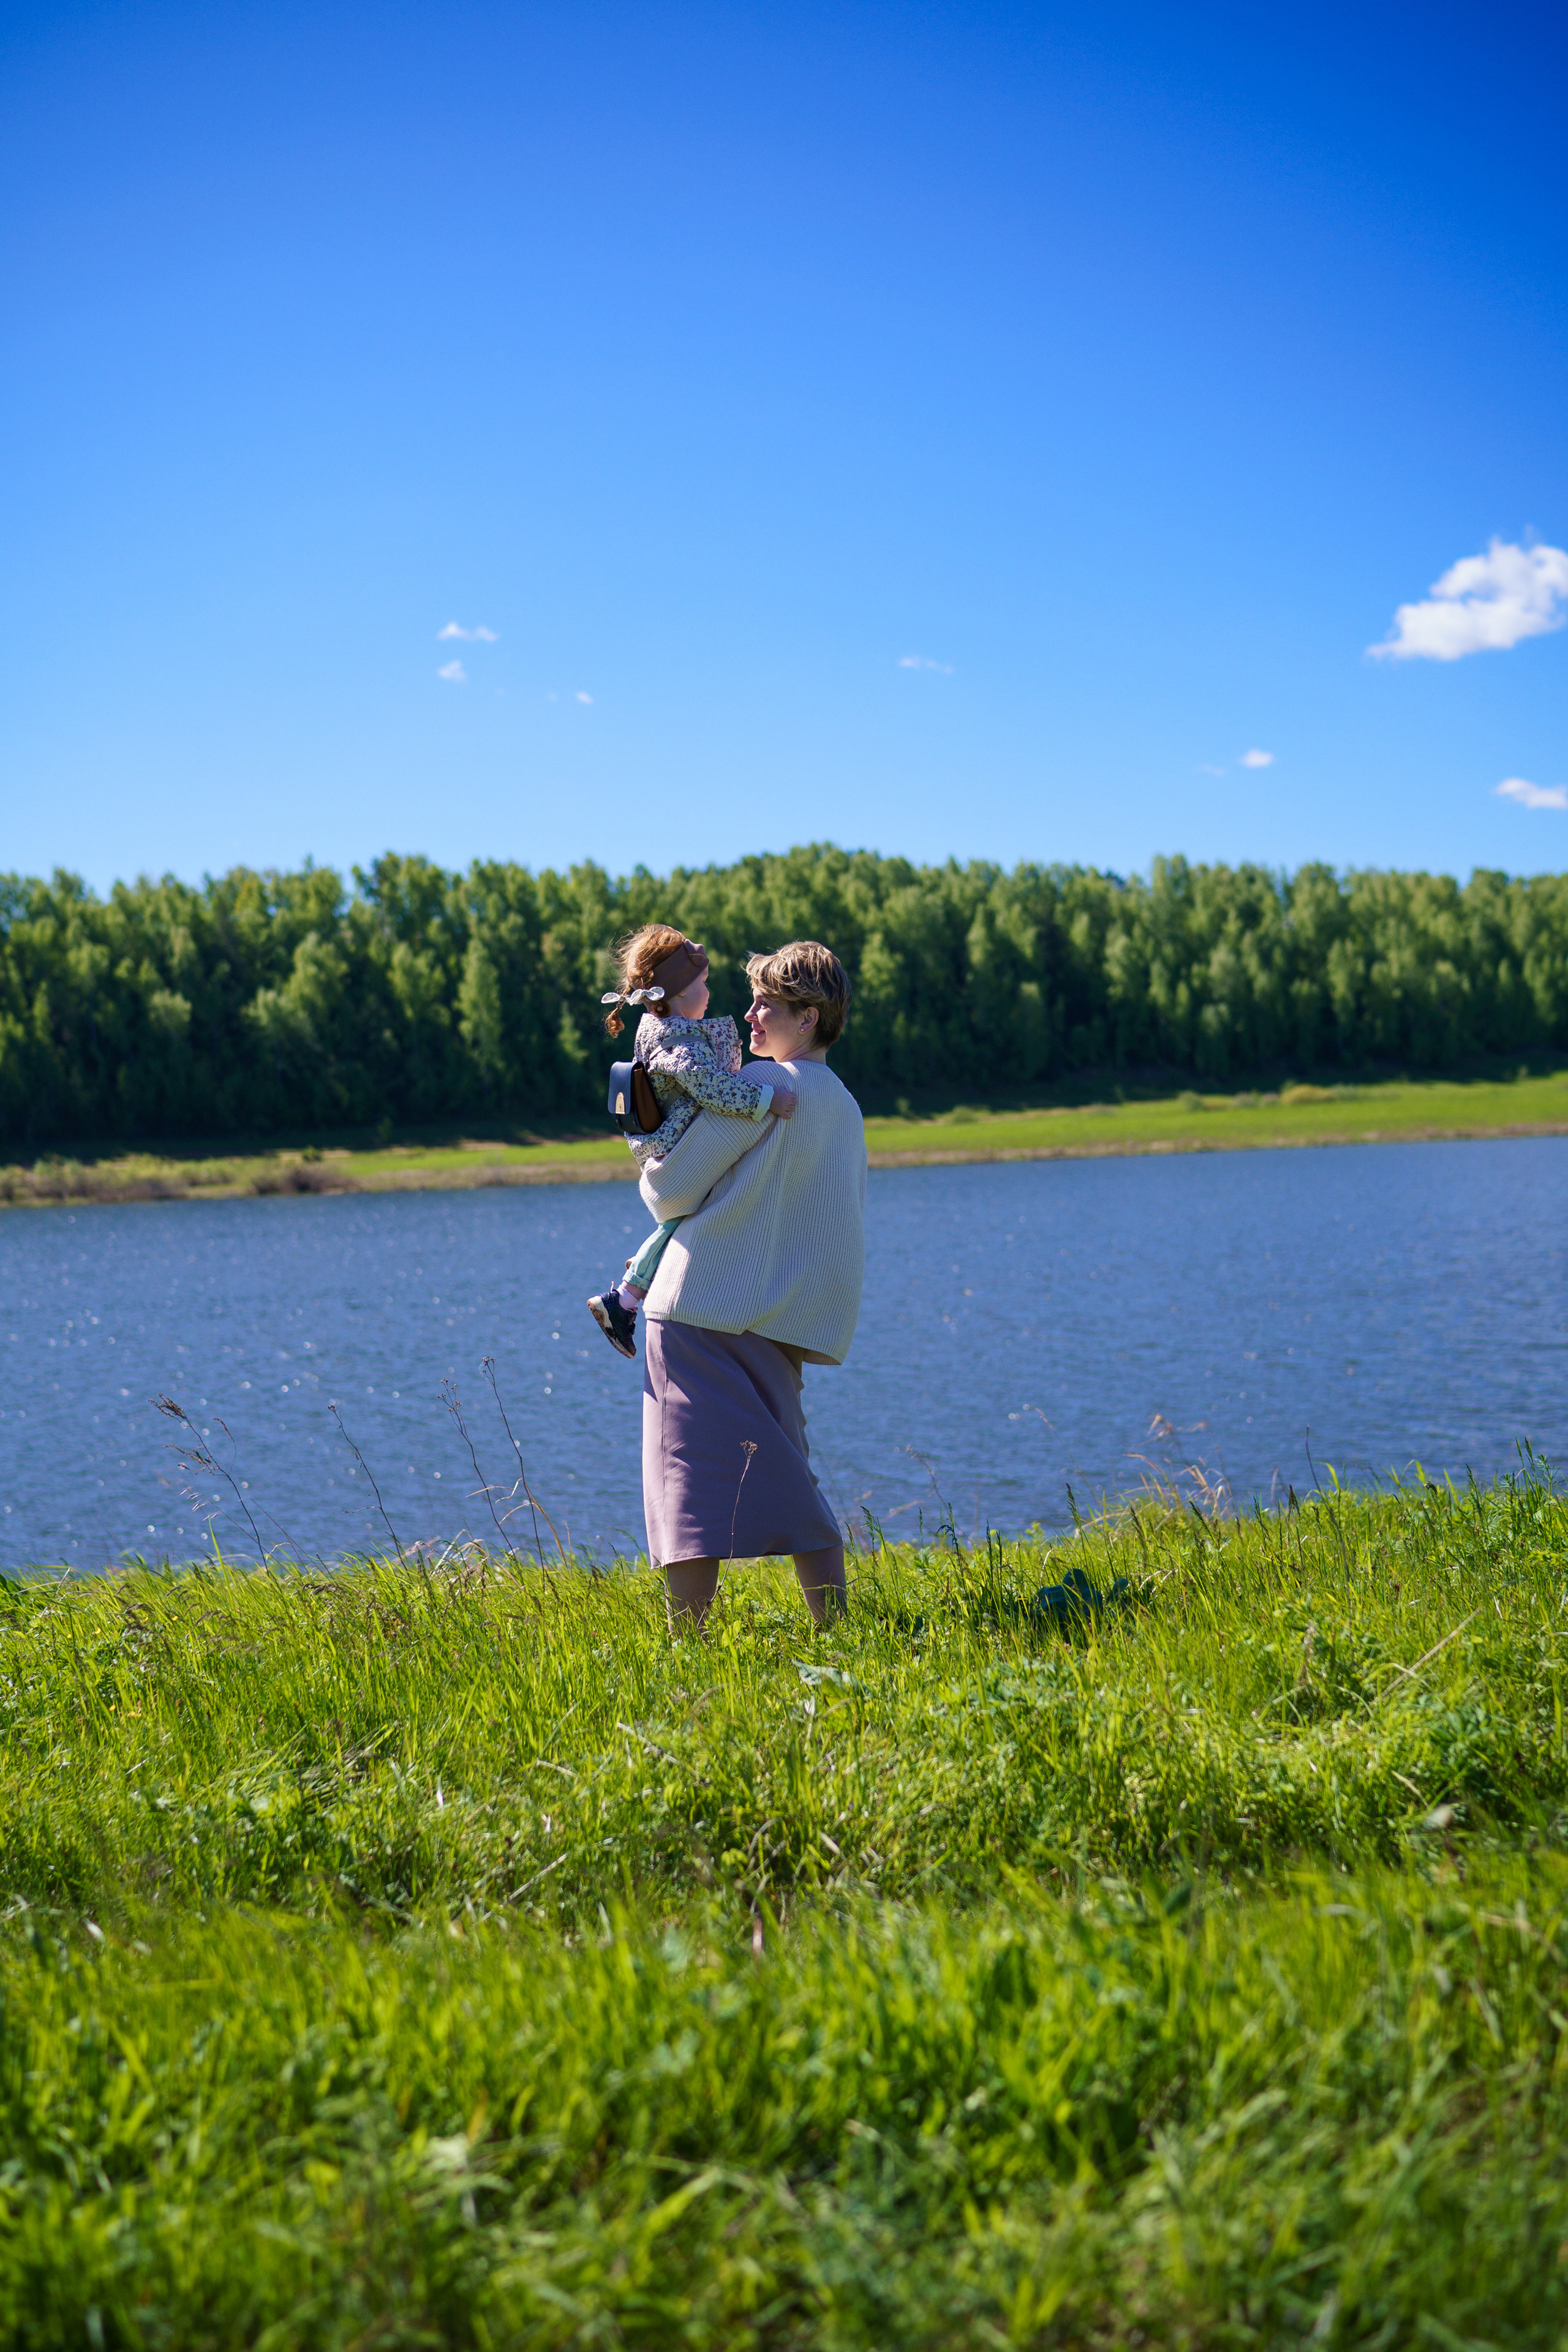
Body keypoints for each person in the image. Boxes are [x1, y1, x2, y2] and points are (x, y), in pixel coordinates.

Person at [633, 940, 865, 1630]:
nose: (751, 1014)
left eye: (768, 1002)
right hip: (777, 1322)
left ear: (810, 1016)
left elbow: (669, 1193)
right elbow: (830, 1222)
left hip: (699, 1313)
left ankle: (689, 1647)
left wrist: (644, 1148)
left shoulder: (764, 1088)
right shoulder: (845, 1105)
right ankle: (837, 1633)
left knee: (687, 1488)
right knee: (792, 1480)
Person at [587, 925, 797, 1356]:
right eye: (703, 984)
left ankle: (640, 1275)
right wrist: (766, 1099)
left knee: (680, 1221)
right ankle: (626, 1296)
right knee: (690, 1214)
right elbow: (708, 1086)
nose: (709, 991)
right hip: (676, 1146)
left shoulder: (657, 1026)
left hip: (668, 1141)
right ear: (678, 994)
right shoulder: (679, 1040)